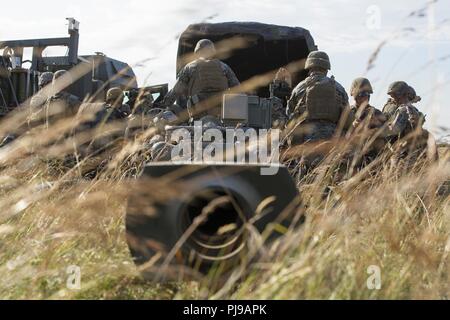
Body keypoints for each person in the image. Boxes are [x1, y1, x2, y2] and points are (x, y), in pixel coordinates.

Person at [160, 39, 240, 120]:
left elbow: (176, 90)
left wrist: (164, 104)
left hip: (198, 116)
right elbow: (238, 90)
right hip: (222, 116)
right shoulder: (224, 67)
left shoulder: (190, 67)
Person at [286, 50, 352, 145]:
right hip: (333, 139)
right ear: (326, 68)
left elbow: (290, 113)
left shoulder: (300, 88)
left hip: (307, 139)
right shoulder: (339, 88)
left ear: (309, 67)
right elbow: (347, 115)